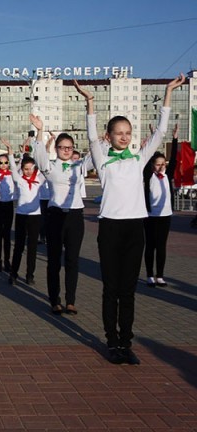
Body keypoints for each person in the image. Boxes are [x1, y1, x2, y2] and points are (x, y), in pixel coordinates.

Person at [75, 75, 185, 365]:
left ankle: (127, 342)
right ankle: (112, 342)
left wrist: (167, 93)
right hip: (110, 227)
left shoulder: (139, 158)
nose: (124, 136)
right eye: (118, 132)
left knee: (129, 289)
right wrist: (90, 103)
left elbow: (161, 132)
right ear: (109, 135)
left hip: (135, 228)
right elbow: (89, 135)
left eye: (128, 132)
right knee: (111, 289)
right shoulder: (101, 157)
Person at [34, 113, 92, 316]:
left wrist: (98, 141)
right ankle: (55, 300)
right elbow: (39, 156)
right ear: (57, 149)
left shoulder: (79, 166)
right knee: (54, 260)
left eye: (69, 147)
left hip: (75, 216)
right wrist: (40, 131)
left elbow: (95, 157)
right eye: (62, 147)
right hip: (55, 216)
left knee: (73, 261)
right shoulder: (50, 166)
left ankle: (71, 301)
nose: (66, 150)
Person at [0, 138, 45, 286]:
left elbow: (44, 164)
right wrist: (10, 151)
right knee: (19, 246)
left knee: (32, 248)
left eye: (31, 168)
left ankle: (30, 275)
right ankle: (14, 274)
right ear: (22, 169)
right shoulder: (18, 179)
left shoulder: (40, 179)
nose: (28, 171)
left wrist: (41, 147)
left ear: (34, 168)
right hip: (22, 216)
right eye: (25, 168)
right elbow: (12, 165)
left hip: (35, 217)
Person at [143, 124, 179, 288]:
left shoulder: (167, 175)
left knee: (161, 246)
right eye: (158, 164)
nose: (161, 166)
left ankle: (160, 276)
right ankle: (150, 275)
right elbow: (149, 156)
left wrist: (175, 138)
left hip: (165, 215)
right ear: (152, 165)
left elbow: (175, 159)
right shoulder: (148, 175)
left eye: (163, 163)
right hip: (151, 216)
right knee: (150, 246)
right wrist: (153, 138)